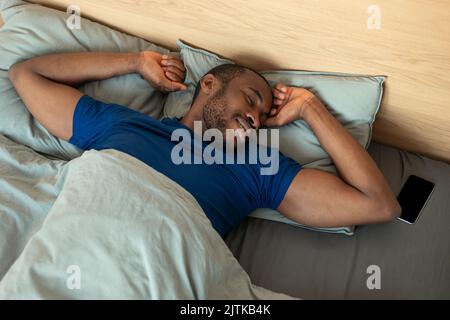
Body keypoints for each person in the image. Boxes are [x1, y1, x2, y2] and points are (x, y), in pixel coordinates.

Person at [8, 51, 401, 238]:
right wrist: (133, 61)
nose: (255, 118)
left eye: (264, 117)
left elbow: (378, 204)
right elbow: (26, 73)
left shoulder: (258, 169)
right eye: (250, 99)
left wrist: (311, 109)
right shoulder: (124, 125)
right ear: (209, 85)